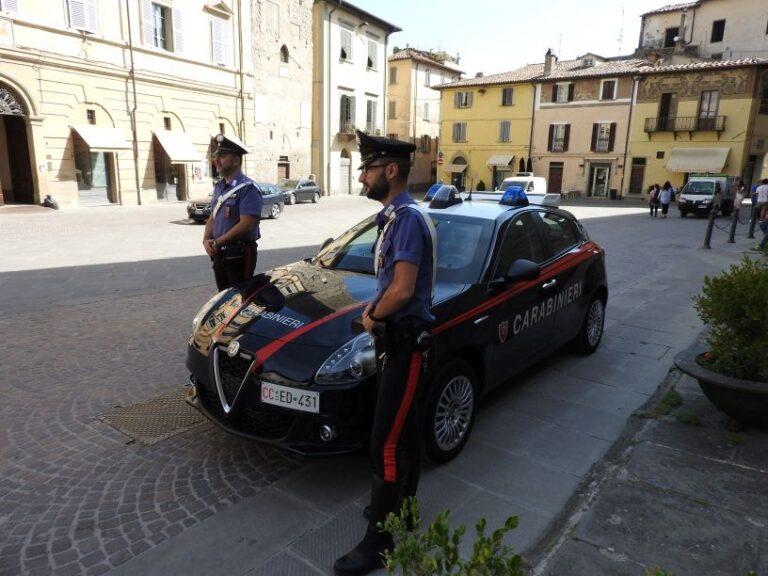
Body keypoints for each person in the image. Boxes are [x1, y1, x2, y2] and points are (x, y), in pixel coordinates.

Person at [333, 131, 435, 576]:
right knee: (405, 432)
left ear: (390, 171)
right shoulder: (396, 217)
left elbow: (403, 288)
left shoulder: (407, 219)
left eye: (367, 168)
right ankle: (403, 510)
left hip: (403, 341)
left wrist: (372, 316)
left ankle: (379, 541)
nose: (361, 175)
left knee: (385, 442)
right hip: (398, 340)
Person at [203, 134, 262, 291]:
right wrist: (206, 240)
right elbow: (212, 218)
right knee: (223, 299)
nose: (217, 160)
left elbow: (247, 225)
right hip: (219, 254)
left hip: (239, 255)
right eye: (216, 156)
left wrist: (218, 242)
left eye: (222, 156)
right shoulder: (220, 187)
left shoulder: (248, 188)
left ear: (236, 160)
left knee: (240, 300)